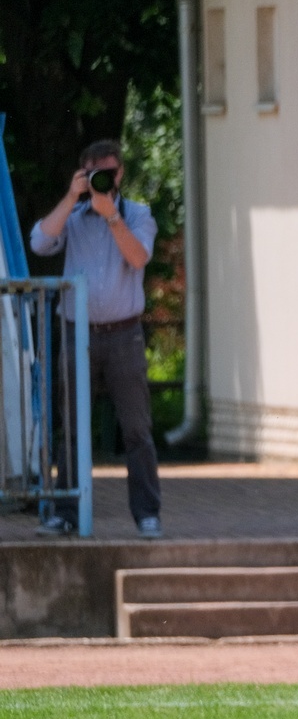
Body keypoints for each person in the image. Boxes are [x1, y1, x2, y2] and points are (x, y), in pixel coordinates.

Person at [28, 139, 163, 538]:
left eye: (107, 173)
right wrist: (73, 196)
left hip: (124, 334)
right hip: (77, 333)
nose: (101, 180)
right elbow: (40, 242)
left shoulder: (137, 214)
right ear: (82, 174)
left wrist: (112, 218)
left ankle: (147, 514)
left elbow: (138, 258)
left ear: (120, 174)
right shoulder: (73, 215)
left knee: (136, 429)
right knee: (71, 427)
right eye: (93, 174)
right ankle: (66, 513)